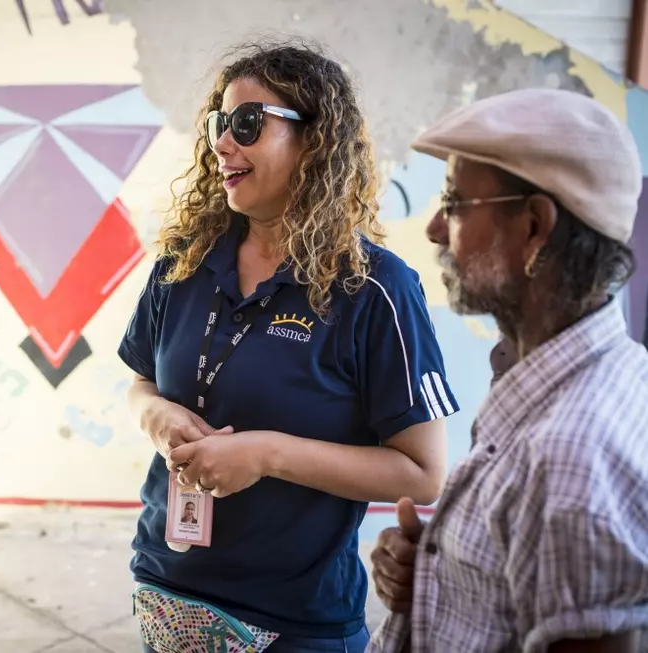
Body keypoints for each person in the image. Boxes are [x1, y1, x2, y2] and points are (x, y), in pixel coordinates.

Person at [118, 41, 458, 653]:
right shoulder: (182, 264)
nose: (223, 143)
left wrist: (269, 455)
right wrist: (155, 415)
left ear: (315, 142)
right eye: (220, 125)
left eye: (247, 124)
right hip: (166, 594)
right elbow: (140, 382)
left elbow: (423, 473)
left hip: (294, 622)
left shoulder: (374, 290)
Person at [367, 87, 648, 653]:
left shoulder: (571, 459)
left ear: (534, 228)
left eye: (454, 203)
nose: (434, 230)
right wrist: (440, 575)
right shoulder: (582, 372)